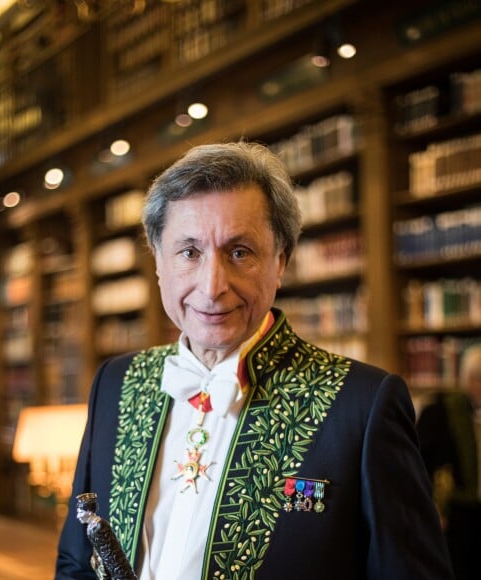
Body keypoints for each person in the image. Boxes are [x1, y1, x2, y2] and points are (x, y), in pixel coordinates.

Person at [56, 141, 454, 579]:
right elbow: (76, 561)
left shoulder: (364, 405)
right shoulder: (116, 383)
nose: (212, 287)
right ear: (157, 260)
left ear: (280, 261)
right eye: (189, 252)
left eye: (239, 252)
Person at [417, 345, 481, 580]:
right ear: (468, 380)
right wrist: (430, 504)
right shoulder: (440, 411)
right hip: (455, 512)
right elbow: (419, 462)